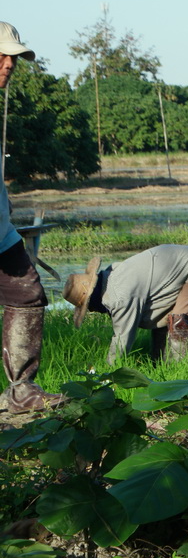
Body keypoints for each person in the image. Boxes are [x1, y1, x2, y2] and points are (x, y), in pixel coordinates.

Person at [0, 22, 65, 413]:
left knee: (28, 294)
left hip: (2, 234)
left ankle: (21, 391)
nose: (9, 65)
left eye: (13, 59)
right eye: (2, 56)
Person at [62, 245, 188, 365]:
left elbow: (122, 339)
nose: (93, 311)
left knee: (179, 323)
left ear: (93, 299)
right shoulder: (111, 276)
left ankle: (182, 373)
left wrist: (109, 371)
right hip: (180, 265)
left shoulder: (119, 295)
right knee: (164, 320)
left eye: (89, 307)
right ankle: (160, 366)